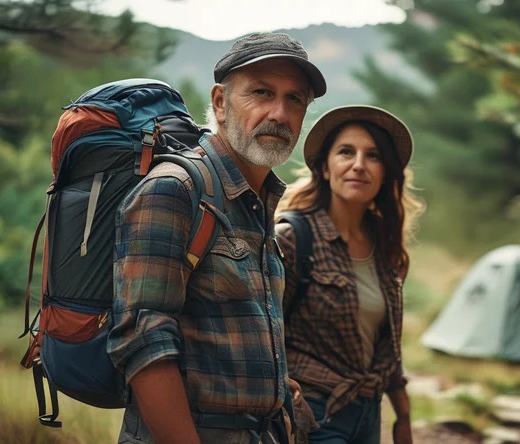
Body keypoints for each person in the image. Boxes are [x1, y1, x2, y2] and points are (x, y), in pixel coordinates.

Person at [108, 32, 326, 444]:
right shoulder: (175, 190)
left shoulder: (257, 203)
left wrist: (275, 390)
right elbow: (144, 344)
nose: (279, 113)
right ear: (221, 103)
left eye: (294, 99)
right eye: (261, 92)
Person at [276, 105, 424, 443]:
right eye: (346, 152)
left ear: (385, 172)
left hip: (367, 413)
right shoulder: (292, 237)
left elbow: (384, 344)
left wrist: (402, 416)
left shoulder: (383, 242)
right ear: (325, 168)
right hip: (314, 412)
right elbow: (262, 331)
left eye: (372, 156)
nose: (358, 164)